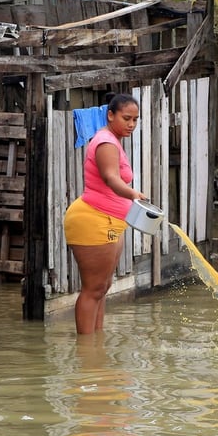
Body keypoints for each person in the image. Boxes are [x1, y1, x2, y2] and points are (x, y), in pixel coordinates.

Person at [64, 92, 147, 335]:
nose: (131, 124)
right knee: (93, 289)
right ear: (110, 115)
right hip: (94, 219)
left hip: (110, 221)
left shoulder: (112, 139)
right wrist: (133, 194)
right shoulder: (106, 142)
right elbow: (111, 178)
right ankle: (87, 353)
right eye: (126, 118)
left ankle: (96, 348)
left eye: (135, 120)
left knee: (102, 286)